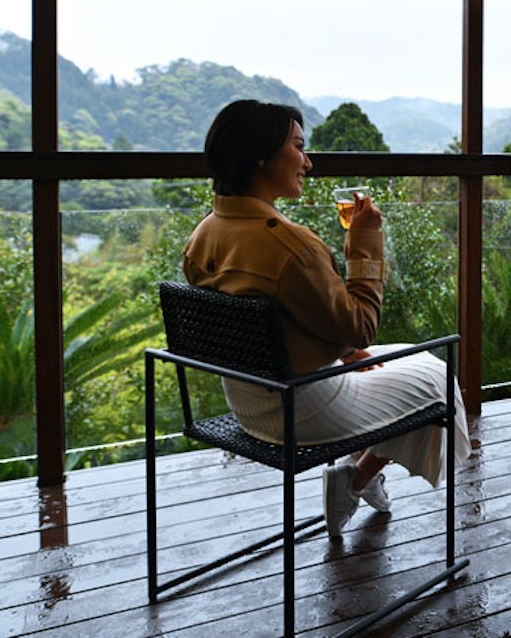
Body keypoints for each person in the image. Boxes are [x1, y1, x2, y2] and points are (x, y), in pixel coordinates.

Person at [182, 99, 469, 538]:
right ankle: (355, 479)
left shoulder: (206, 232)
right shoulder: (290, 247)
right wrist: (365, 243)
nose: (308, 162)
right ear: (261, 156)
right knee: (437, 377)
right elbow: (360, 325)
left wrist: (348, 350)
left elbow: (280, 323)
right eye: (298, 147)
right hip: (307, 410)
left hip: (249, 404)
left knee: (398, 365)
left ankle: (359, 478)